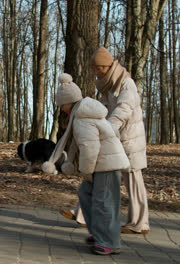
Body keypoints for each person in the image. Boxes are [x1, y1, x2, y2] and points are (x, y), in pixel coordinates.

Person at [42, 73, 130, 255]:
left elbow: (90, 149)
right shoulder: (83, 114)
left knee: (104, 203)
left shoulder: (82, 117)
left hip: (106, 165)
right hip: (103, 163)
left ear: (69, 102)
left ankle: (109, 241)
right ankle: (99, 233)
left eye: (62, 105)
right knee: (86, 194)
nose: (62, 108)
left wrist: (86, 172)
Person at [91, 46, 149, 234]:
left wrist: (108, 127)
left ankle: (140, 224)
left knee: (133, 179)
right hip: (116, 139)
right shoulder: (108, 86)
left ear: (107, 67)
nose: (96, 72)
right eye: (94, 68)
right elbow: (105, 109)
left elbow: (124, 109)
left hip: (130, 139)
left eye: (98, 68)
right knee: (102, 175)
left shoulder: (126, 84)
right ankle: (85, 215)